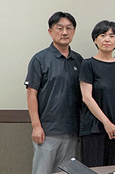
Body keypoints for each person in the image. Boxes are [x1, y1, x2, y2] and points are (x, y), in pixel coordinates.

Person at [24, 11, 83, 174]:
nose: (65, 32)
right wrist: (36, 126)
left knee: (65, 172)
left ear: (74, 31)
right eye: (60, 28)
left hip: (71, 131)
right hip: (47, 132)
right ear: (50, 31)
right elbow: (31, 94)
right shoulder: (40, 59)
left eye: (69, 28)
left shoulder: (79, 60)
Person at [79, 20, 115, 167]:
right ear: (95, 39)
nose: (107, 39)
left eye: (112, 36)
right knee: (94, 169)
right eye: (102, 35)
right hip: (94, 128)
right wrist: (107, 123)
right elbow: (87, 98)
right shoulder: (88, 64)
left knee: (114, 168)